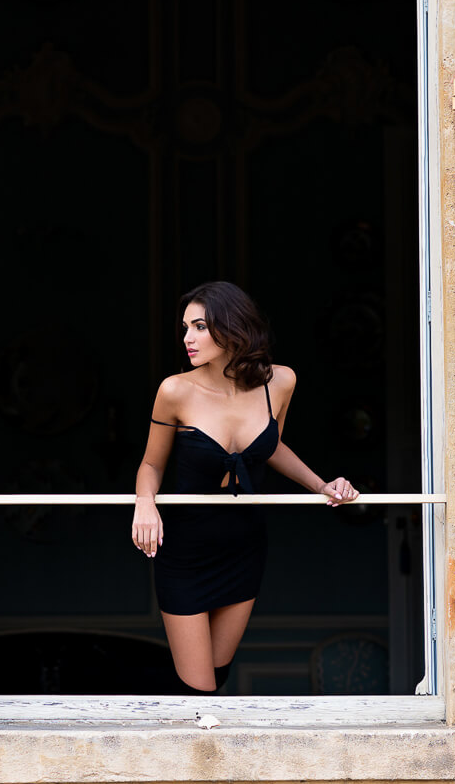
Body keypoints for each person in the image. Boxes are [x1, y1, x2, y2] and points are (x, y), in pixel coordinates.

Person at [133, 281, 359, 694]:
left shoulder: (281, 383)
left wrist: (321, 485)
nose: (187, 338)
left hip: (244, 544)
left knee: (217, 677)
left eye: (199, 326)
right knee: (196, 688)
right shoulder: (175, 390)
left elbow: (269, 448)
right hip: (186, 548)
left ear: (232, 326)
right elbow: (151, 463)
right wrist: (144, 503)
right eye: (185, 327)